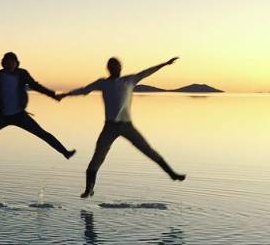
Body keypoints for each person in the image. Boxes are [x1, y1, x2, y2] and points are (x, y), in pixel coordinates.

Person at [56, 56, 187, 197]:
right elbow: (84, 90)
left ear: (120, 68)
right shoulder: (103, 83)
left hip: (127, 126)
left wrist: (164, 64)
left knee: (148, 150)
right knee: (97, 157)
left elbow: (147, 72)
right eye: (112, 66)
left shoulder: (129, 80)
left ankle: (172, 174)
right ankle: (89, 189)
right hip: (110, 127)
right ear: (108, 69)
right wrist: (65, 95)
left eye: (117, 66)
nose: (115, 69)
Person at [0, 52, 75, 165]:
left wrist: (53, 95)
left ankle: (65, 152)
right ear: (3, 64)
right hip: (2, 116)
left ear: (17, 63)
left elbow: (36, 86)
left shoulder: (22, 74)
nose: (9, 65)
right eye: (6, 62)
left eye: (12, 62)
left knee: (42, 134)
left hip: (20, 115)